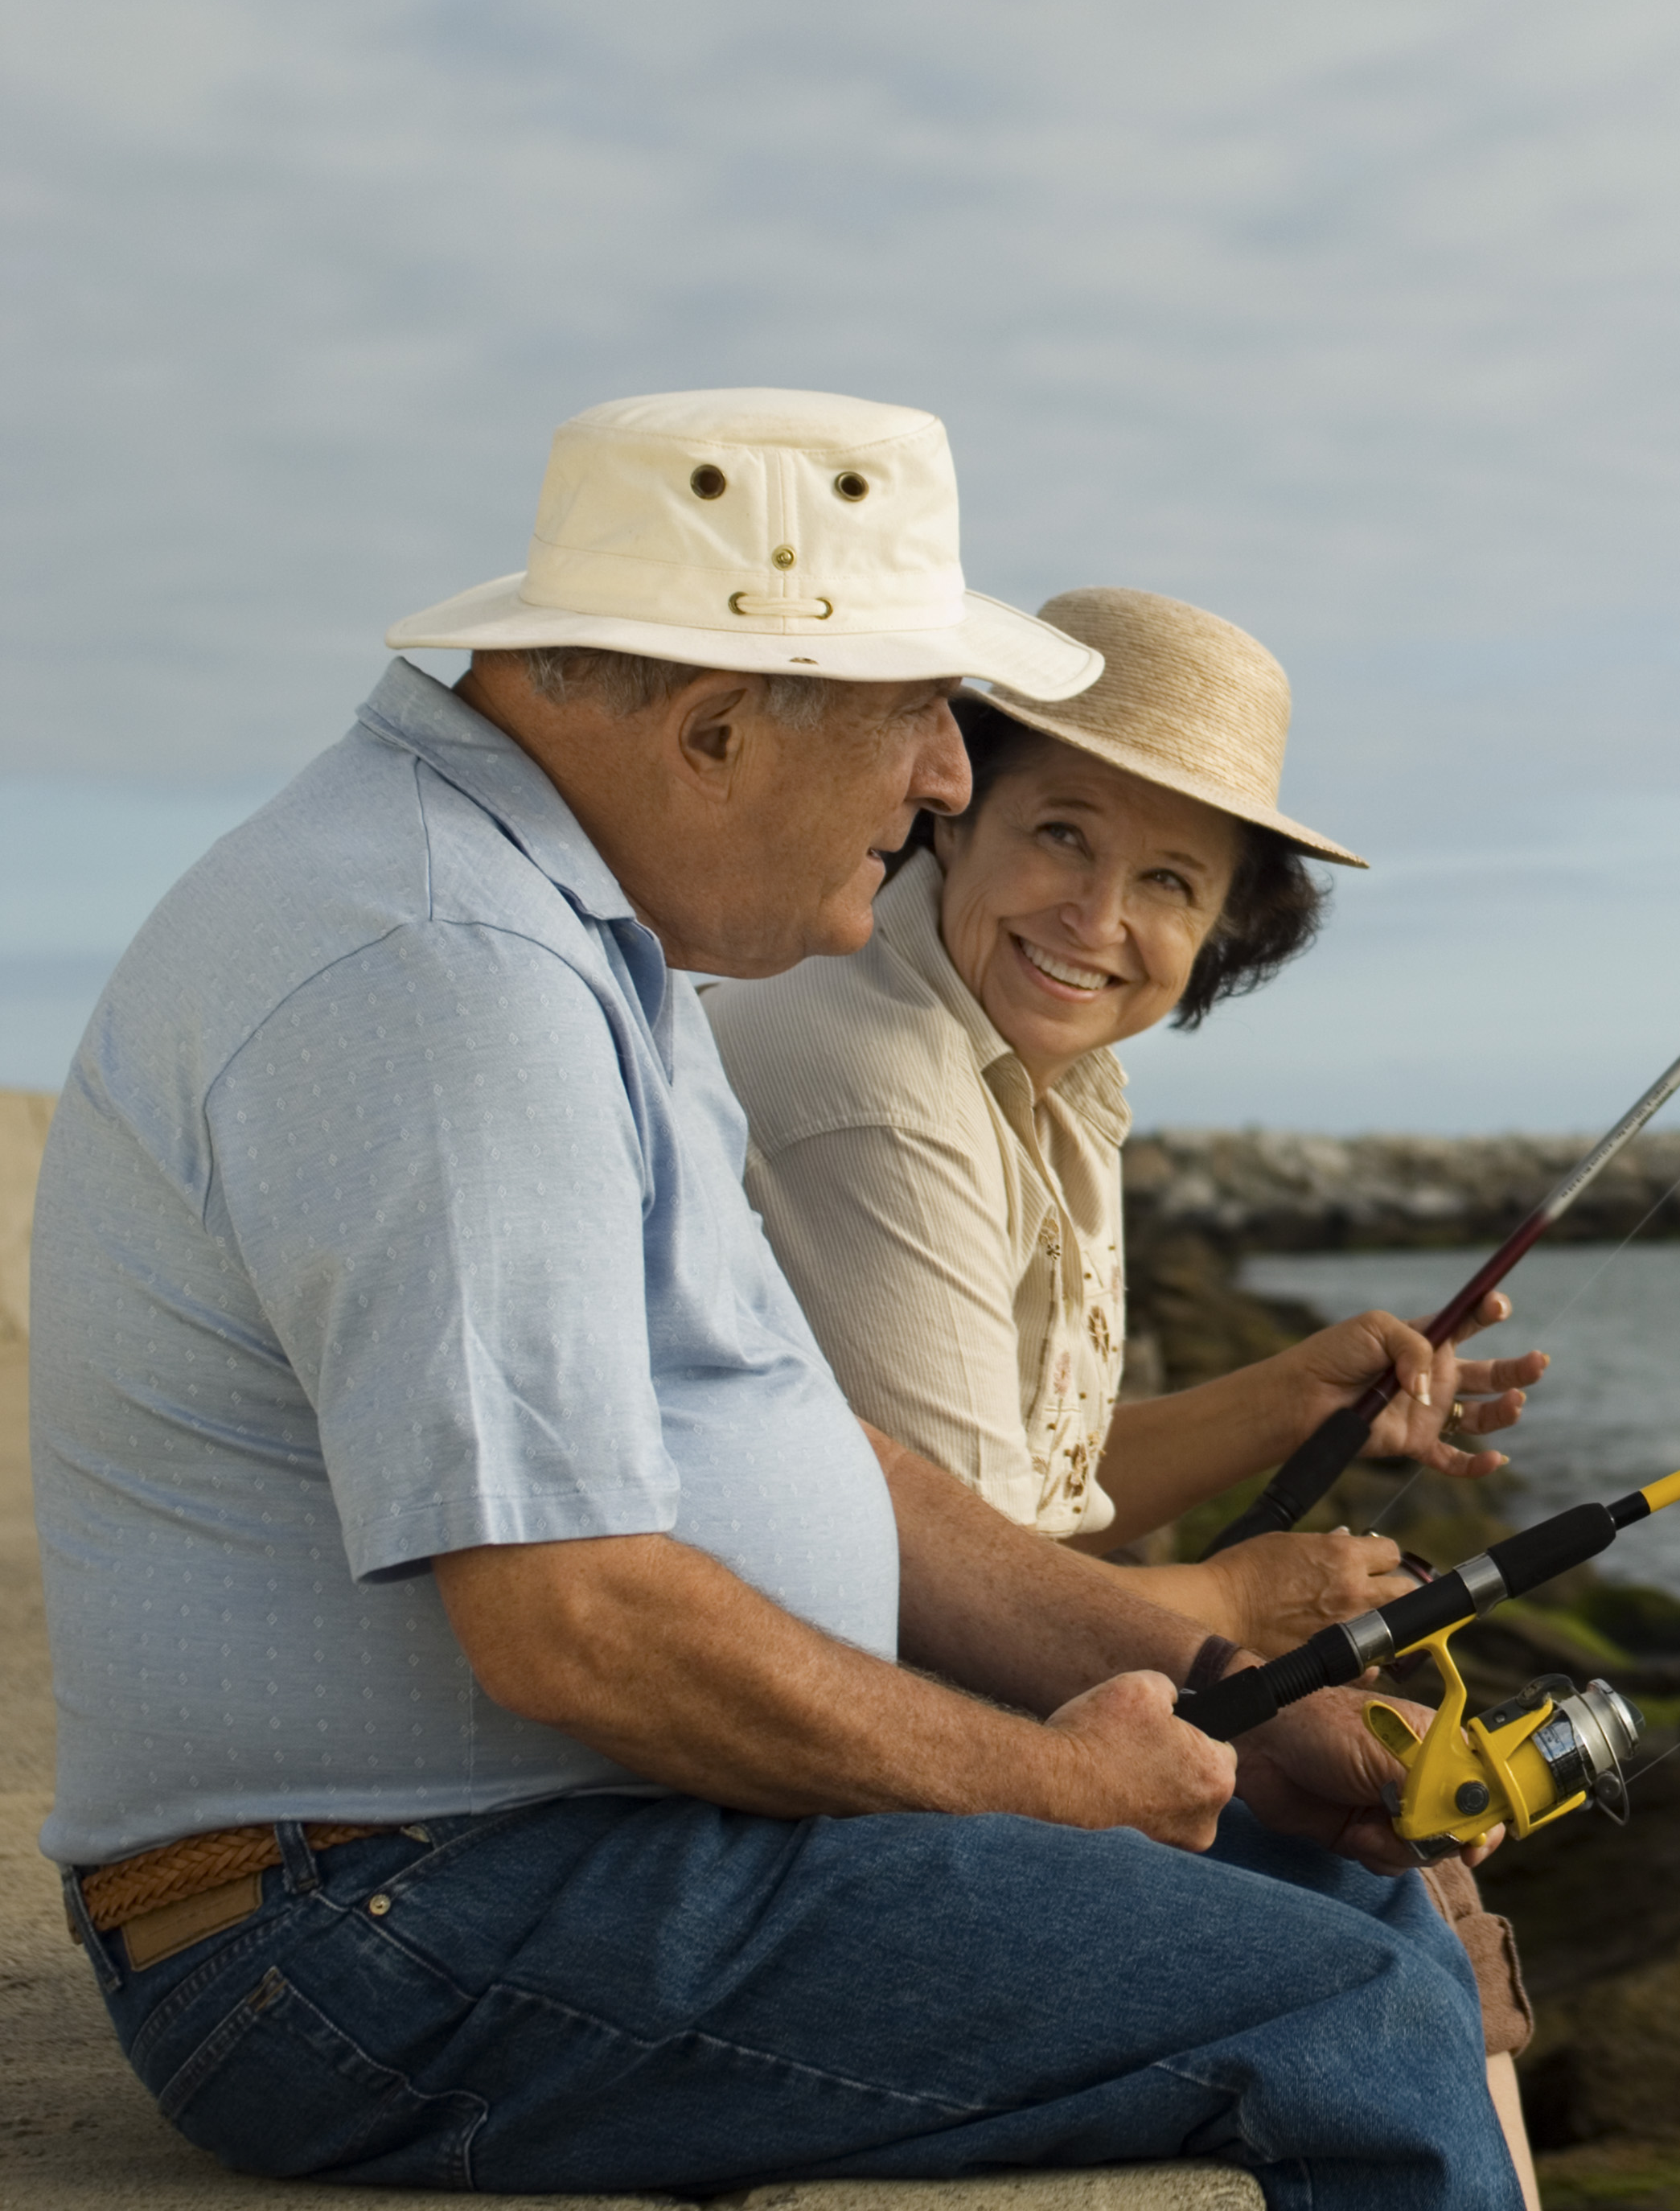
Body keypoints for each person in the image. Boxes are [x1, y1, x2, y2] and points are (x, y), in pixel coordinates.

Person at [28, 390, 1532, 2208]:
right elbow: (573, 1623)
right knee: (1352, 2009)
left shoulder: (587, 935)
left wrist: (1211, 1685)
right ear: (720, 725)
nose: (947, 780)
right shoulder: (447, 970)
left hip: (509, 1855)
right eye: (919, 712)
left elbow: (843, 1468)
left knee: (1353, 1891)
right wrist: (1038, 1789)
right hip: (369, 1931)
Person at [703, 586, 1547, 2103]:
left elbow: (1038, 1484)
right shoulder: (876, 1075)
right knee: (1393, 1945)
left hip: (916, 1687)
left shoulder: (1042, 1058)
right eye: (1063, 835)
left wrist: (1295, 1400)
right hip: (818, 1750)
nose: (1100, 920)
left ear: (1227, 924)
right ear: (955, 805)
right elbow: (954, 1601)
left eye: (1171, 879)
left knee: (1404, 1888)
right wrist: (1235, 1603)